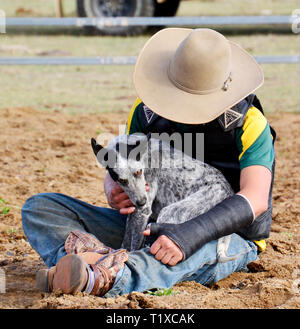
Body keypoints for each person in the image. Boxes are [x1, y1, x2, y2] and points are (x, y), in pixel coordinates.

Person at [22, 28, 275, 297]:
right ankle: (93, 263)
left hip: (224, 235)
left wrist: (188, 236)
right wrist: (112, 188)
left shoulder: (249, 122)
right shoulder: (147, 111)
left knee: (173, 258)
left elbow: (256, 198)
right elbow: (121, 161)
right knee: (40, 209)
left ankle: (101, 275)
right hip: (150, 222)